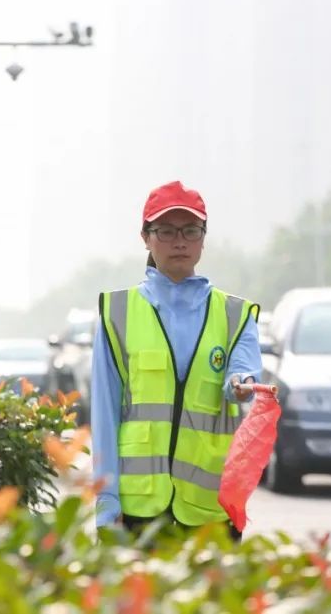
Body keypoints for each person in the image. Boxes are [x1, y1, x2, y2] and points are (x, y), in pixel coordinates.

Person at [90, 181, 263, 541]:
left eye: (190, 230)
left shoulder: (236, 314)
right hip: (137, 510)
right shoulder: (116, 313)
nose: (179, 241)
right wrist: (107, 505)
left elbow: (243, 374)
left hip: (211, 509)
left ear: (203, 237)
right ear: (145, 237)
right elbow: (104, 416)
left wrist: (242, 386)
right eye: (166, 231)